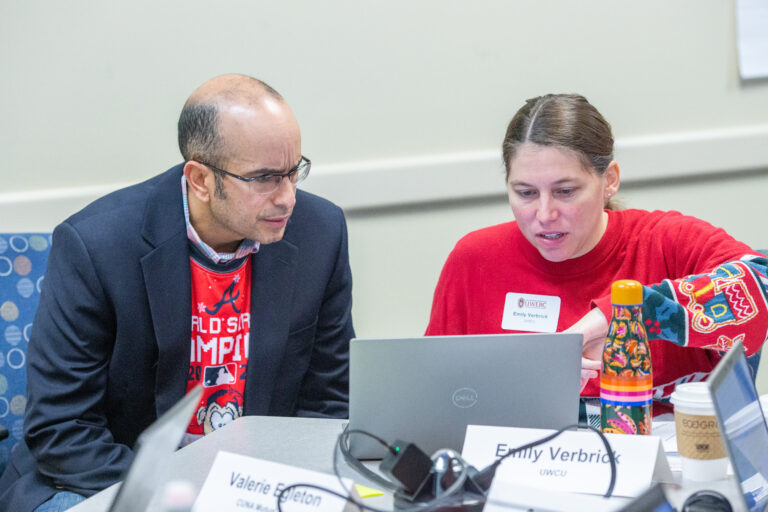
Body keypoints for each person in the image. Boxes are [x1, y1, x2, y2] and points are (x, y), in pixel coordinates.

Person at [0, 74, 355, 511]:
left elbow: (329, 402)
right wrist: (185, 499)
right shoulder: (97, 246)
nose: (288, 198)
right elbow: (62, 429)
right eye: (264, 178)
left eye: (293, 171)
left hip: (253, 486)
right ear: (200, 179)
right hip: (107, 479)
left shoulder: (321, 233)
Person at [426, 93, 768, 426]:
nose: (544, 214)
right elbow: (432, 397)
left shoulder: (666, 242)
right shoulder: (475, 260)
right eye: (526, 193)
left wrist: (632, 315)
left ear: (610, 180)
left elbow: (761, 283)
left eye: (566, 191)